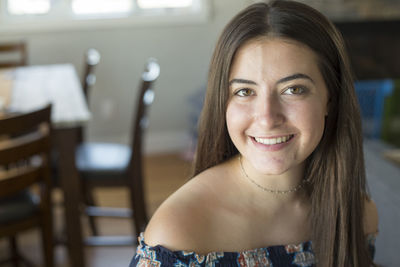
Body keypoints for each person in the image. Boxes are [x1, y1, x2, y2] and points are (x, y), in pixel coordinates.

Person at [130, 0, 379, 266]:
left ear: (331, 98)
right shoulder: (178, 233)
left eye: (294, 89)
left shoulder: (357, 215)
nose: (267, 118)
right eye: (244, 92)